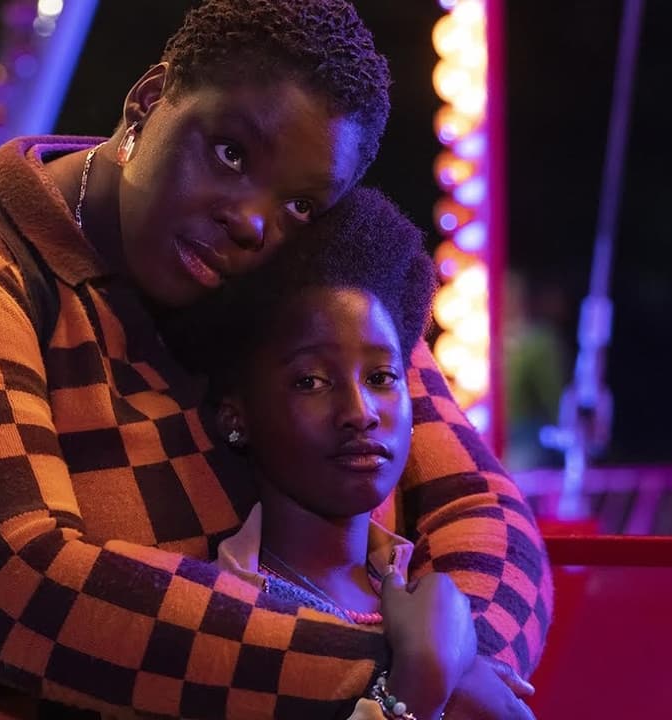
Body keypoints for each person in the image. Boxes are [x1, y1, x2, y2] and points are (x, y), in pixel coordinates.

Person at [0, 1, 552, 717]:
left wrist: (462, 656)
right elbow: (11, 587)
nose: (251, 220)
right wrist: (388, 671)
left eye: (300, 205)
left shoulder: (310, 285)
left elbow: (483, 508)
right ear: (147, 102)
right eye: (230, 152)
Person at [161, 187, 536, 719]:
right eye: (311, 381)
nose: (360, 412)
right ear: (236, 415)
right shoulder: (225, 617)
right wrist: (419, 680)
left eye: (381, 377)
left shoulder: (424, 593)